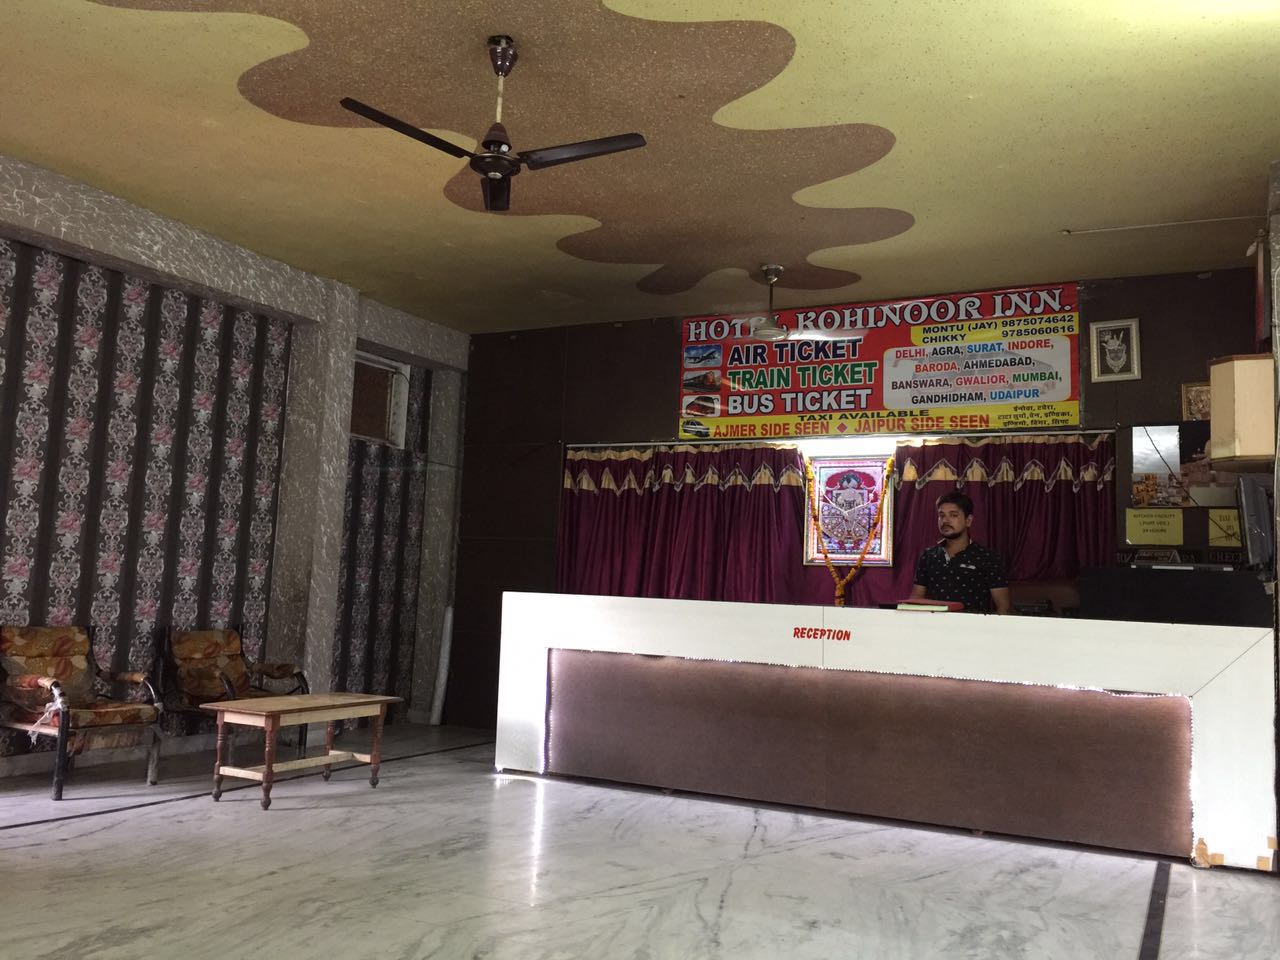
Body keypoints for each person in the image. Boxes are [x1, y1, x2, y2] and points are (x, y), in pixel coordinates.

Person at [909, 490, 1010, 614]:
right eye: (941, 515)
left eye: (953, 515)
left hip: (973, 624)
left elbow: (1004, 607)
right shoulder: (928, 556)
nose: (945, 521)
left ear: (968, 520)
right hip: (935, 624)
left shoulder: (987, 557)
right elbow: (916, 600)